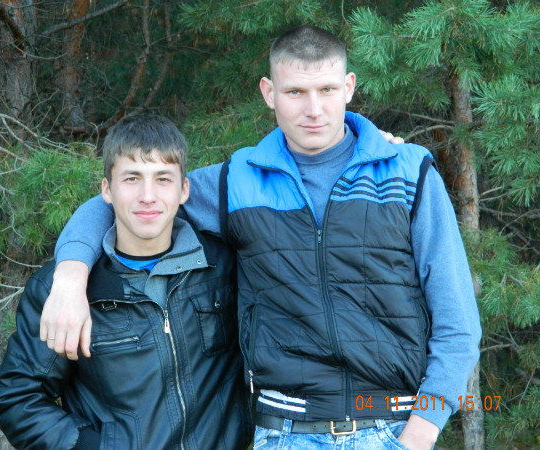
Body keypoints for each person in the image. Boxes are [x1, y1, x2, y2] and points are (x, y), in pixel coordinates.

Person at [41, 26, 481, 450]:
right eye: (295, 92)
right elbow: (124, 200)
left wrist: (422, 431)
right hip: (286, 433)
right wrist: (69, 277)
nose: (314, 109)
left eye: (327, 90)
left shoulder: (408, 173)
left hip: (394, 427)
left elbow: (457, 322)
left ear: (348, 87)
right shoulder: (239, 182)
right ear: (269, 93)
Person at [0, 114, 253, 450]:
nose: (147, 196)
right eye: (131, 178)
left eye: (163, 179)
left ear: (184, 190)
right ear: (107, 190)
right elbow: (17, 395)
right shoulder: (63, 290)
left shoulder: (223, 267)